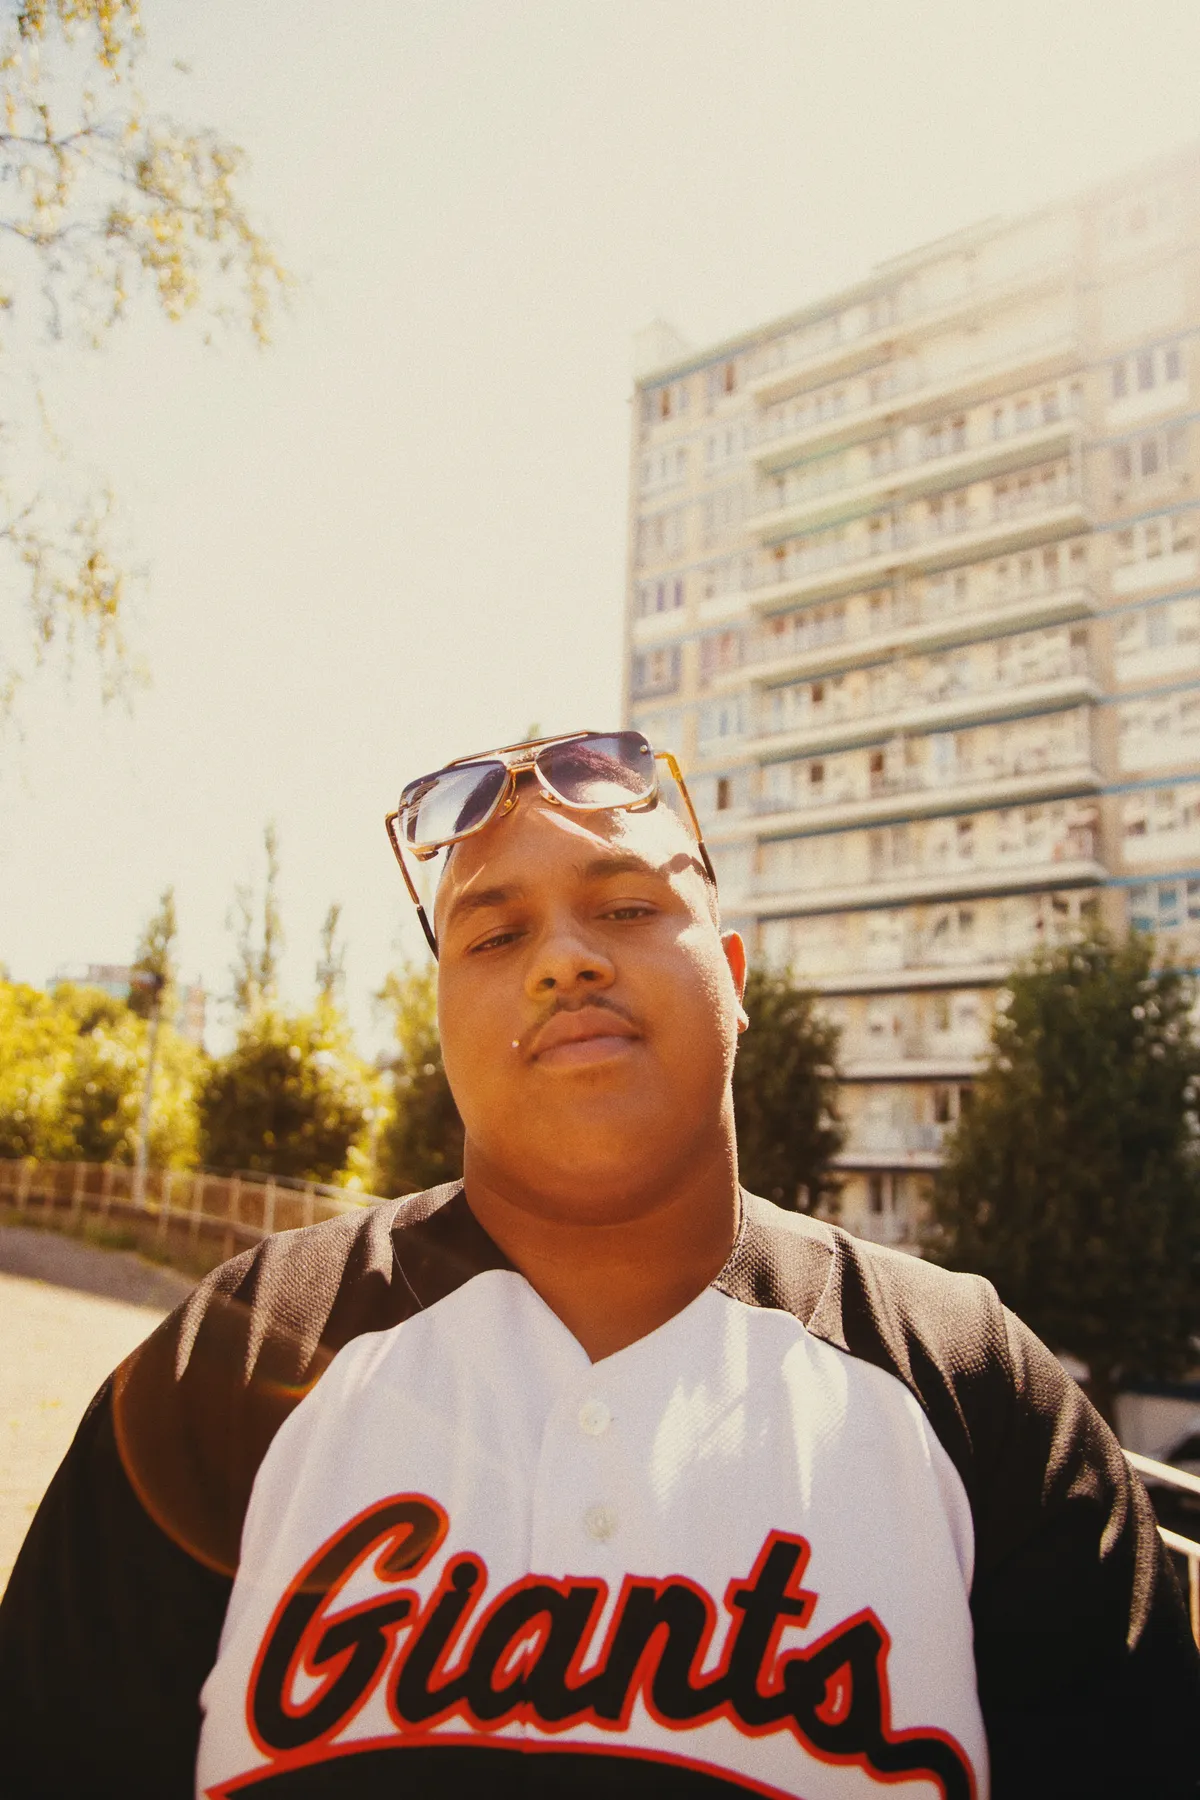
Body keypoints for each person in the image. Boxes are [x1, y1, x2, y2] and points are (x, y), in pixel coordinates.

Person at [1, 727, 1198, 1800]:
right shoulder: (231, 1363)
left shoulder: (977, 1389)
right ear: (439, 1020)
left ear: (734, 980)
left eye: (625, 909)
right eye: (495, 933)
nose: (563, 960)